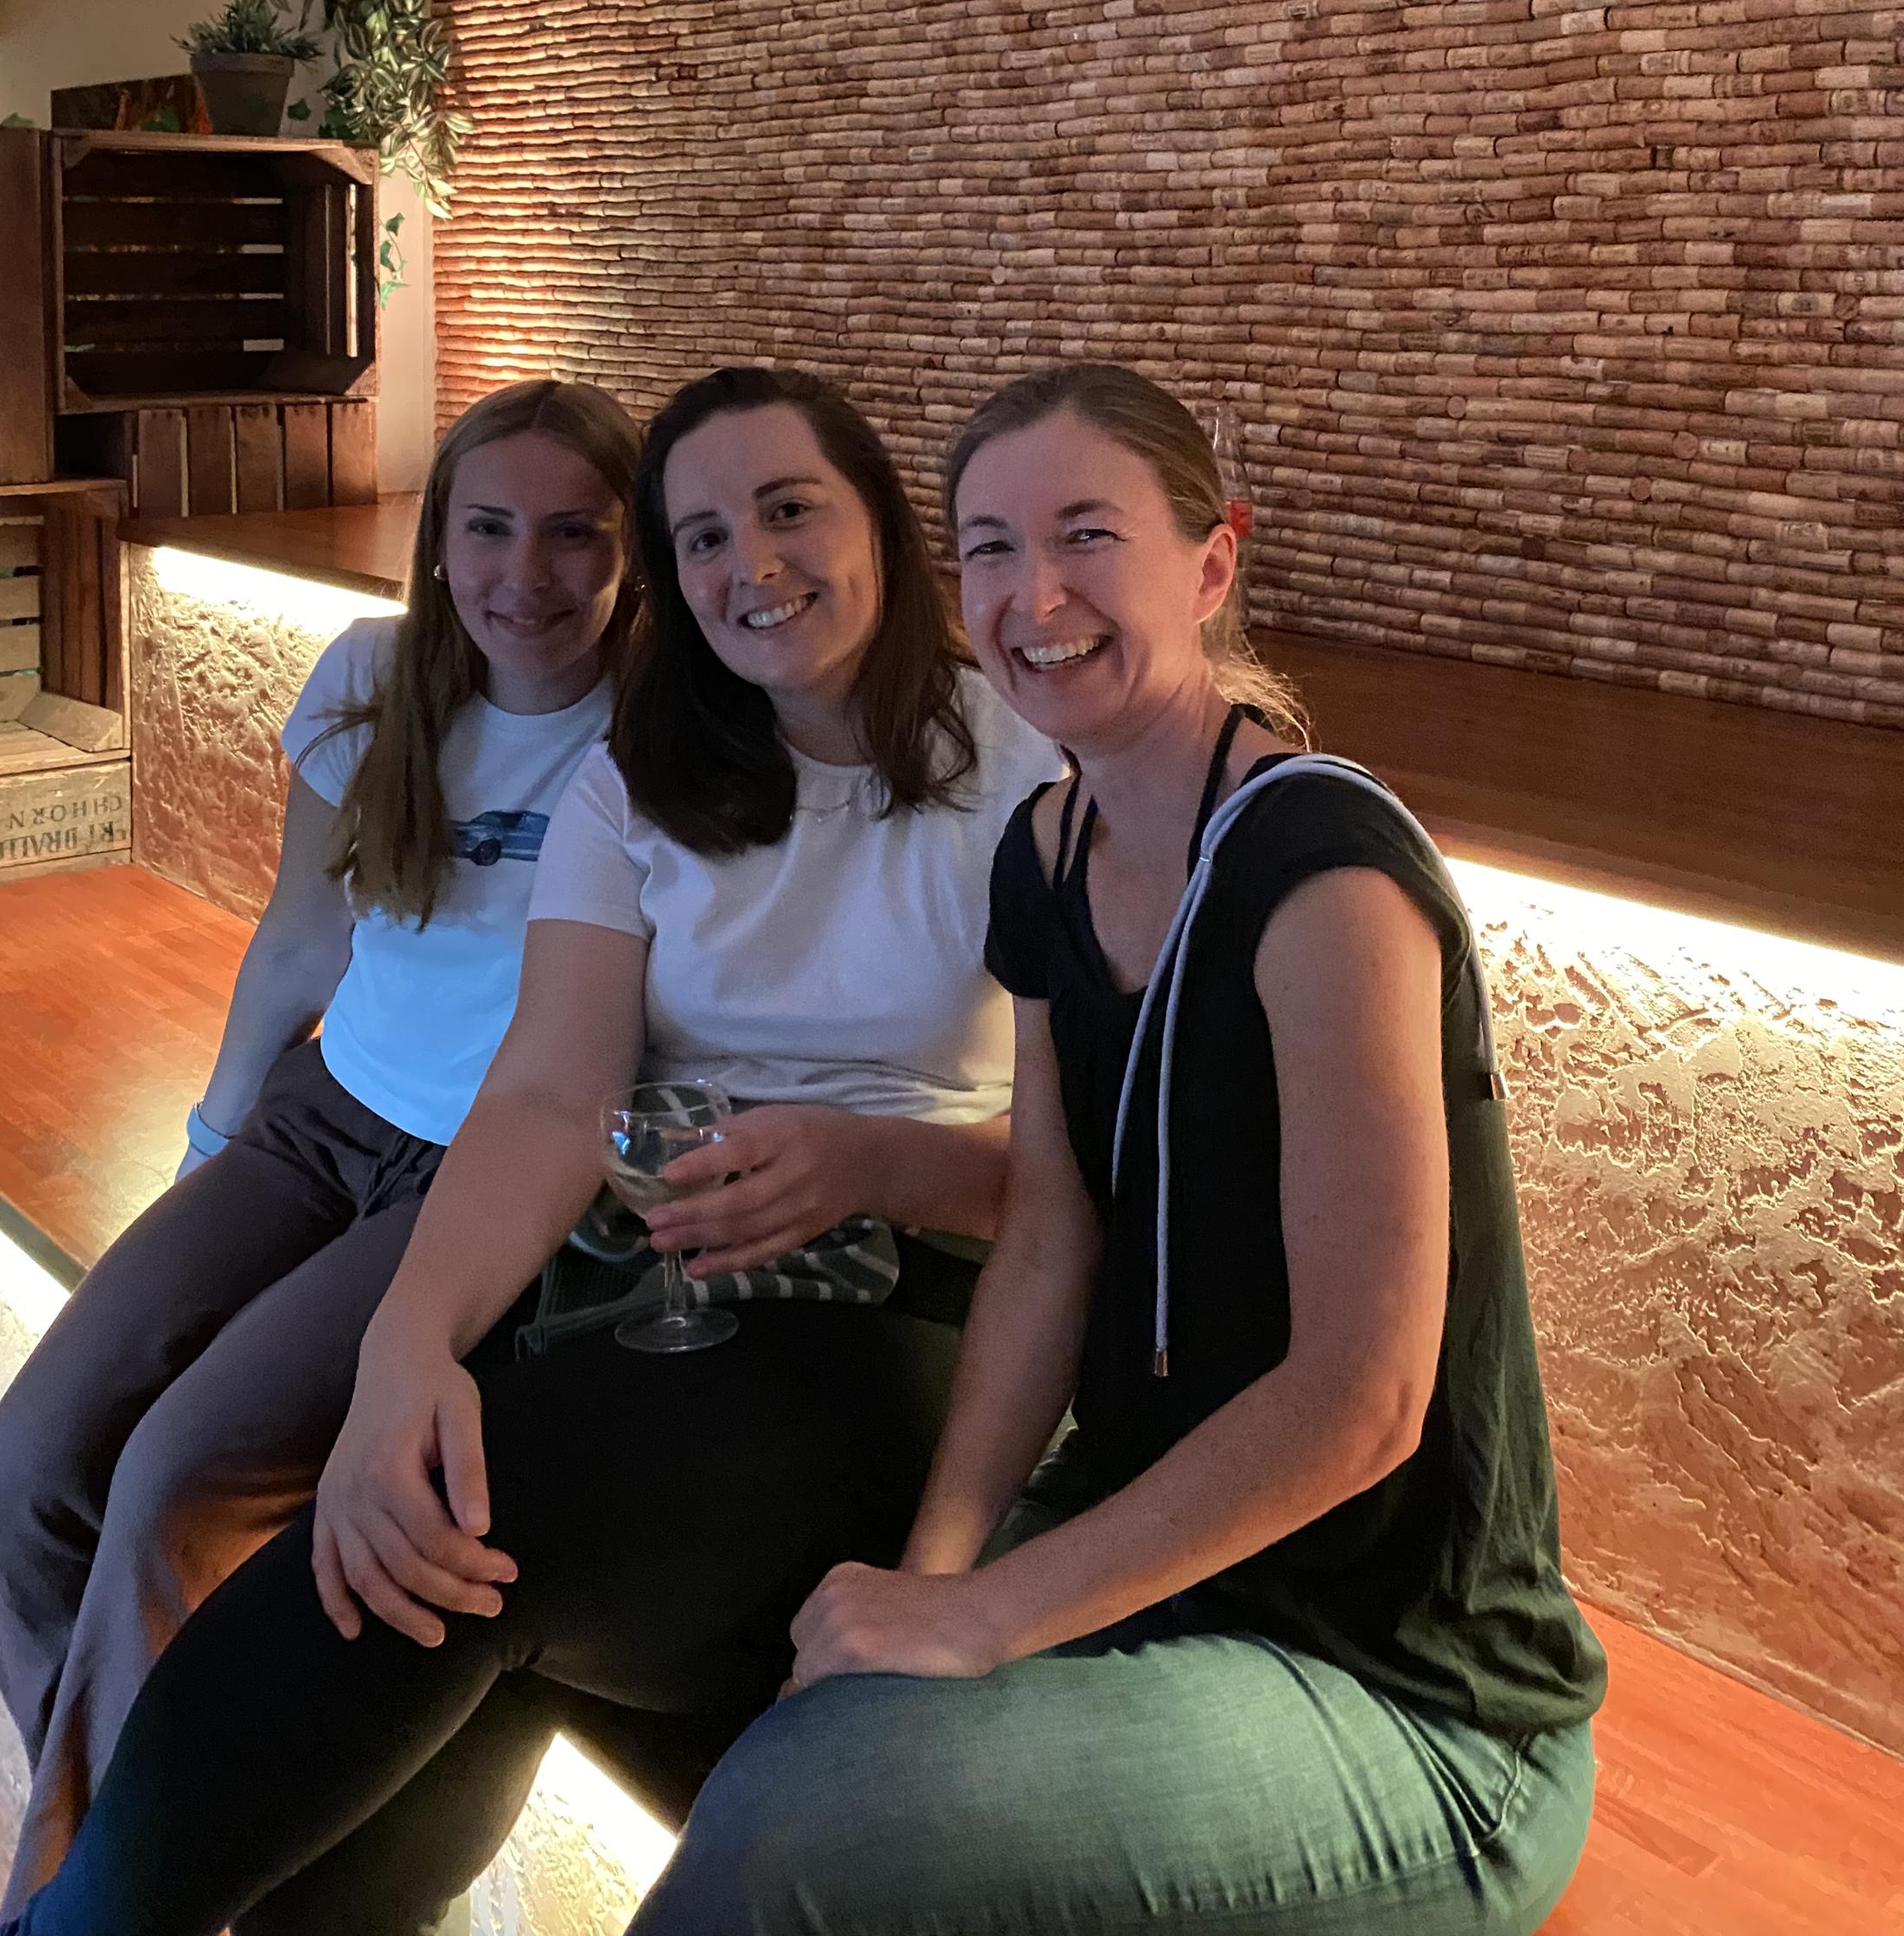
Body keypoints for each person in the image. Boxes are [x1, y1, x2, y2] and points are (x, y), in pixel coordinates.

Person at [0, 363, 1064, 1936]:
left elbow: (1097, 1170)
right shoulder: (639, 777)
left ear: (882, 527)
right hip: (650, 1270)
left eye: (788, 509)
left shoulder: (1031, 772)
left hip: (908, 1301)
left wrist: (875, 1166)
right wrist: (406, 1344)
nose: (751, 563)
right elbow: (552, 1096)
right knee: (393, 1595)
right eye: (705, 534)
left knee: (452, 1545)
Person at [627, 362, 1606, 1936]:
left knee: (789, 1835)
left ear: (1210, 564)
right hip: (1156, 1546)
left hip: (1410, 1688)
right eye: (991, 548)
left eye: (1086, 534)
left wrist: (983, 1619)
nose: (1034, 596)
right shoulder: (1049, 846)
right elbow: (1046, 1236)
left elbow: (1364, 1399)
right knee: (798, 1718)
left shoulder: (1323, 874)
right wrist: (940, 1576)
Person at [0, 377, 642, 1919]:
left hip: (487, 1173)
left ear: (633, 552)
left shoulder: (665, 735)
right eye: (489, 527)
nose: (525, 574)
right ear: (438, 538)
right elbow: (297, 938)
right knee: (20, 1481)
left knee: (176, 1487)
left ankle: (80, 1904)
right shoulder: (368, 677)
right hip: (319, 1114)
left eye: (576, 533)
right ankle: (154, 1861)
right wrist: (211, 1136)